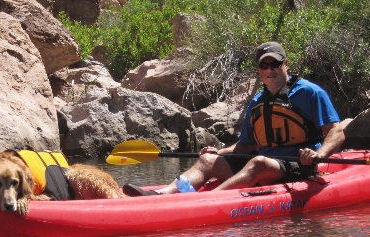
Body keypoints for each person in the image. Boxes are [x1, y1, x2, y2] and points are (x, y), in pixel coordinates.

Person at [123, 41, 345, 196]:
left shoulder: (310, 93)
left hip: (298, 165)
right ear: (258, 69)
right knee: (208, 160)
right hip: (266, 164)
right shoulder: (258, 101)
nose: (270, 70)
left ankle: (206, 201)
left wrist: (319, 154)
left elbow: (336, 131)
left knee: (257, 162)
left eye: (275, 64)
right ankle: (164, 193)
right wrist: (217, 152)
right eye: (264, 65)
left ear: (285, 64)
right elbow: (245, 146)